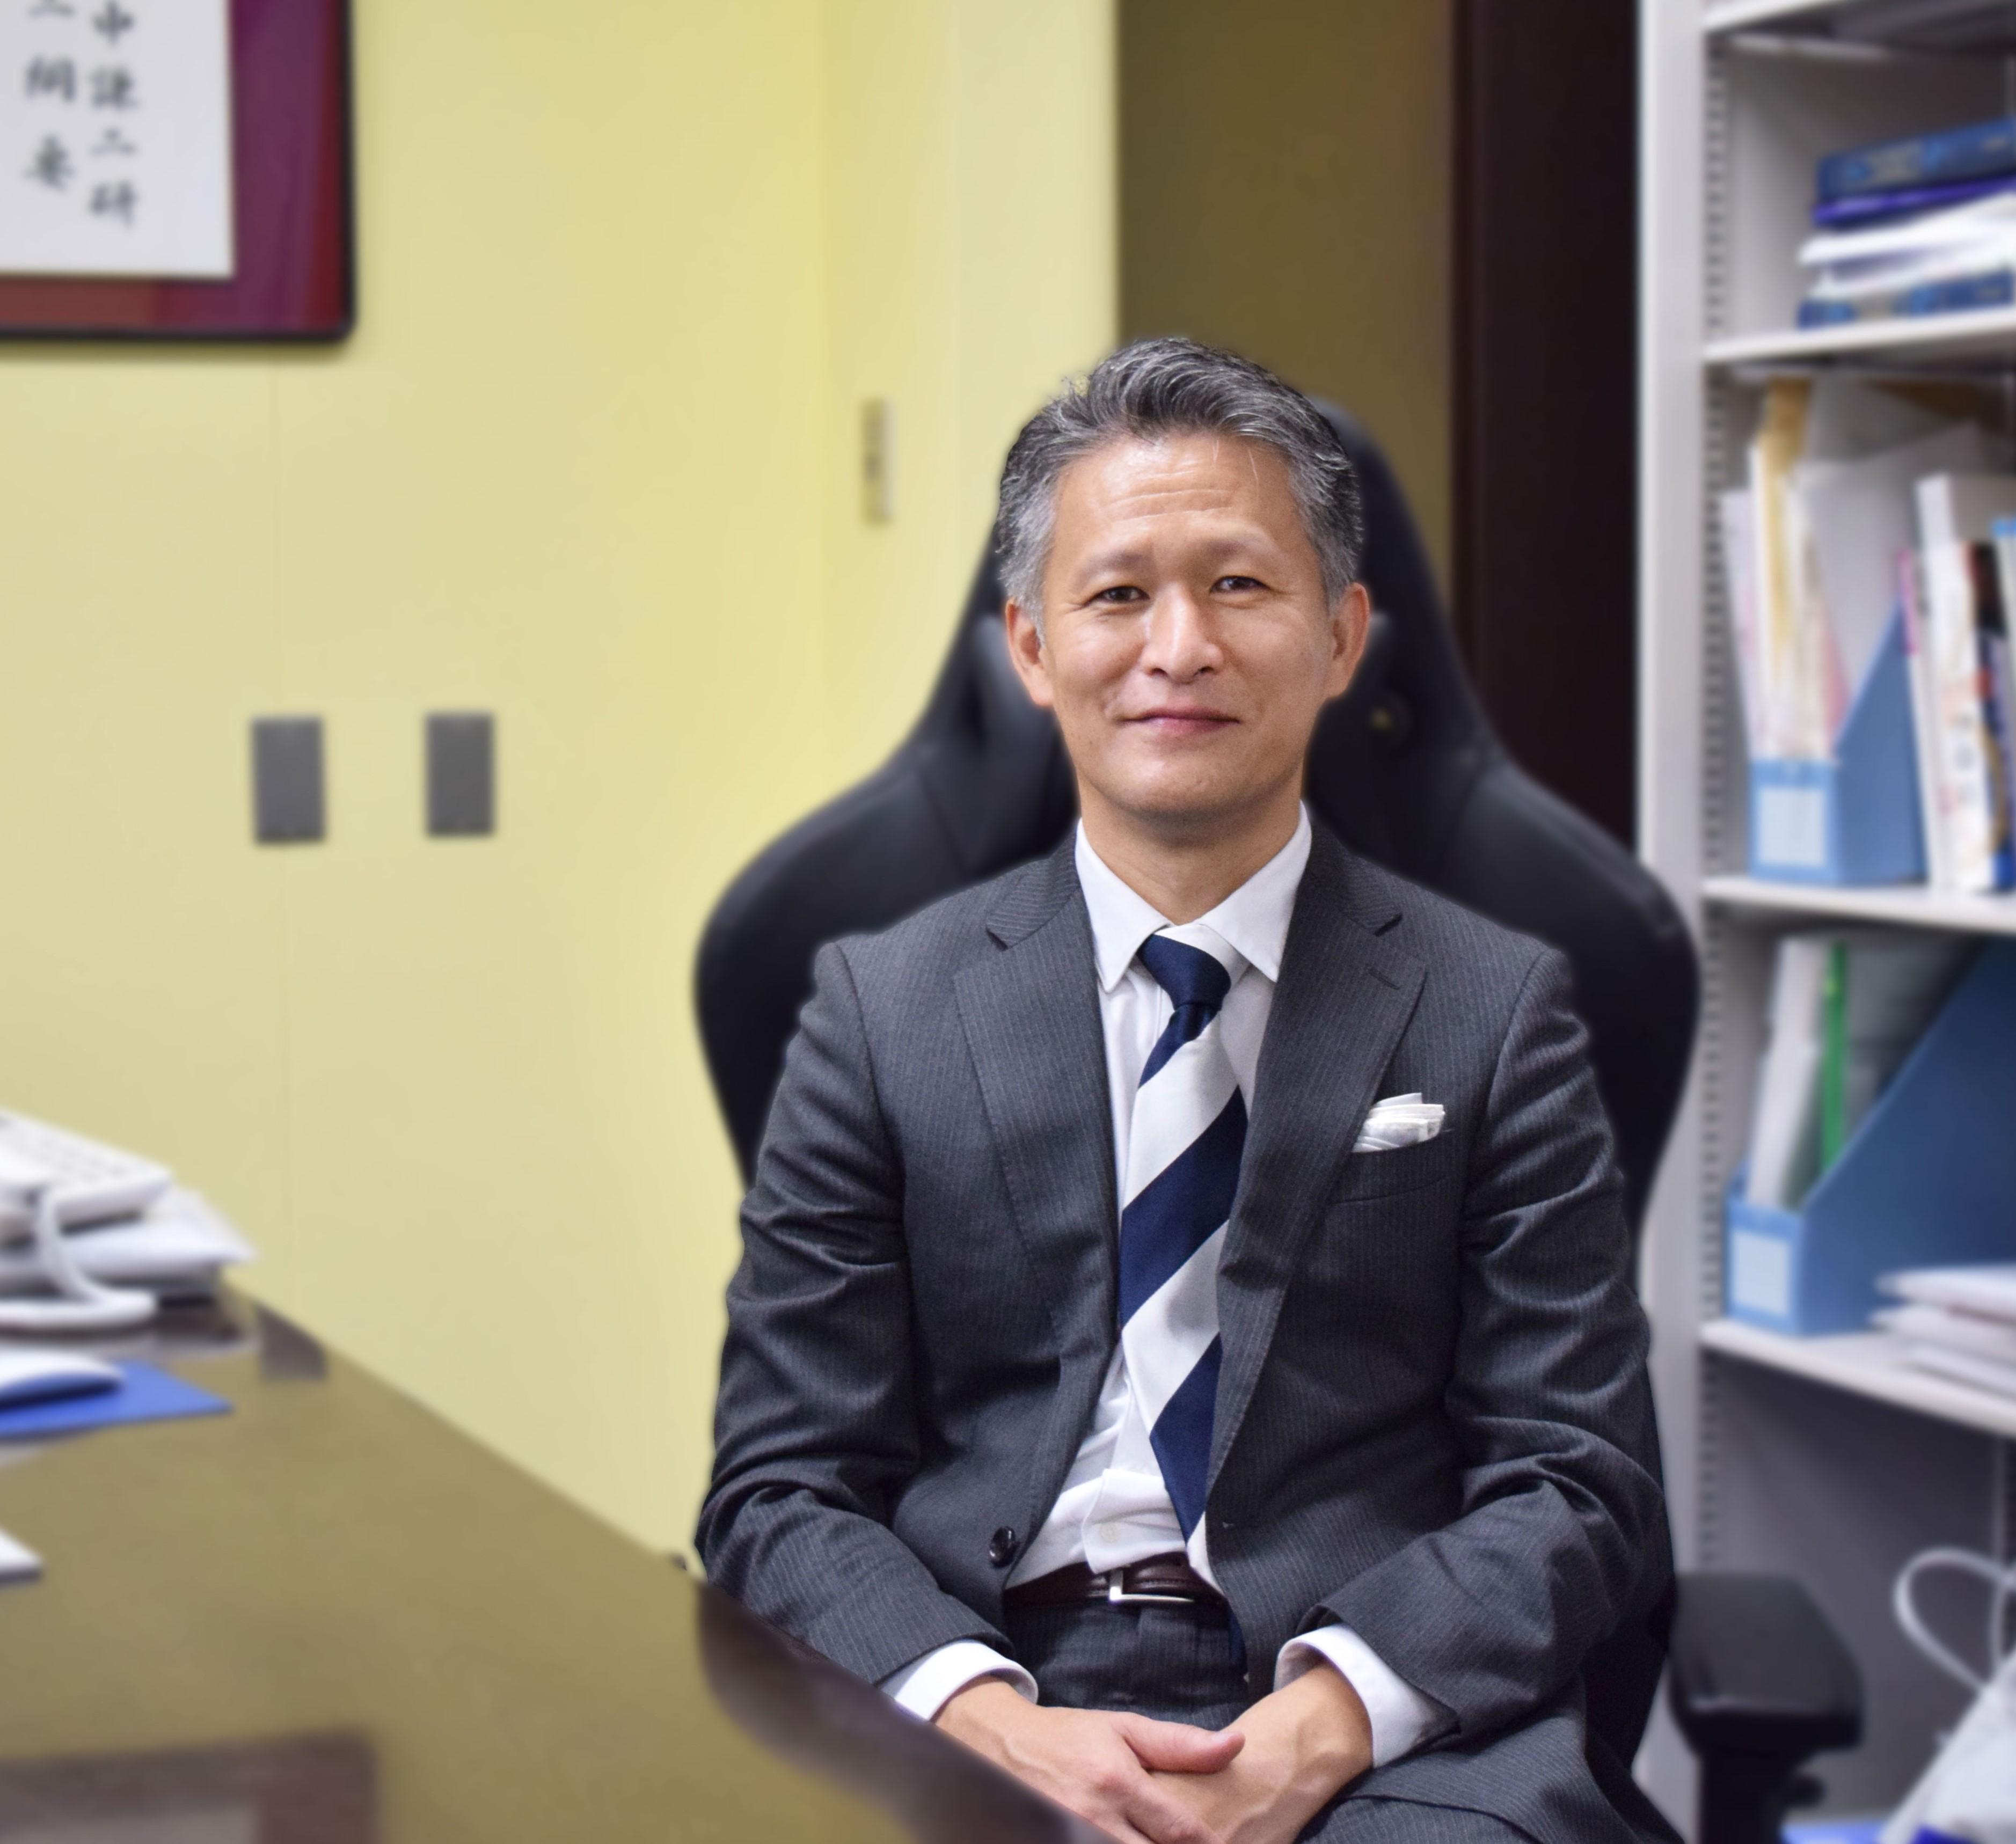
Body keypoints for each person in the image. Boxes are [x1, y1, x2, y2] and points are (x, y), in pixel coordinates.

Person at [699, 338, 1671, 1843]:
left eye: (1237, 584)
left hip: (1370, 1710)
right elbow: (779, 1486)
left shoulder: (1493, 1009)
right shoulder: (879, 1013)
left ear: (1340, 637)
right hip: (984, 1675)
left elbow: (1580, 1478)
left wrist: (1325, 1720)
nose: (1179, 645)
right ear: (1031, 649)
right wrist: (988, 1720)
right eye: (1115, 594)